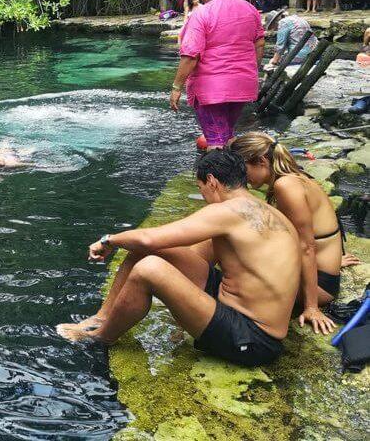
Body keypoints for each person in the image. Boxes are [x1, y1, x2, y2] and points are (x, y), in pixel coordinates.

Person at [56, 150, 300, 367]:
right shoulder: (264, 209)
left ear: (212, 181)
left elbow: (149, 238)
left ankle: (100, 338)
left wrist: (108, 240)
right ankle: (102, 317)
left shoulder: (228, 211)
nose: (203, 196)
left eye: (201, 188)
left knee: (149, 269)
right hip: (237, 307)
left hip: (252, 338)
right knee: (148, 253)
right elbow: (181, 253)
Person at [228, 133, 357, 334]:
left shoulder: (285, 185)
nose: (242, 177)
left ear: (262, 161)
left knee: (237, 275)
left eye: (243, 170)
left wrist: (312, 307)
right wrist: (333, 260)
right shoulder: (292, 177)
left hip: (320, 286)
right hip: (323, 273)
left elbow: (307, 246)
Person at [171, 0, 264, 149]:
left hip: (212, 89)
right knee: (227, 134)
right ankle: (237, 173)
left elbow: (191, 55)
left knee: (215, 141)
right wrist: (250, 70)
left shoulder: (202, 14)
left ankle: (221, 177)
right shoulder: (249, 9)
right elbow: (259, 43)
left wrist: (176, 86)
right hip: (243, 84)